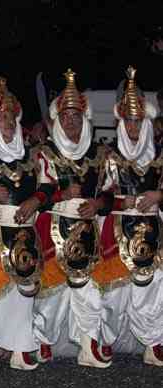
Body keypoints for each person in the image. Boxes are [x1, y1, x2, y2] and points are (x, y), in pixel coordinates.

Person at [32, 69, 119, 368]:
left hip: (87, 231)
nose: (71, 122)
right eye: (66, 117)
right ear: (57, 120)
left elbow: (110, 193)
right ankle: (43, 341)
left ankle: (88, 345)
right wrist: (61, 195)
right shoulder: (45, 153)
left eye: (76, 116)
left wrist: (97, 204)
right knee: (52, 294)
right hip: (53, 229)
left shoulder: (100, 154)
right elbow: (38, 194)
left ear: (85, 119)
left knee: (89, 290)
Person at [99, 67, 163, 367]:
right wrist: (121, 200)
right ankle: (106, 338)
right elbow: (100, 197)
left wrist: (159, 196)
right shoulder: (109, 155)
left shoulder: (160, 155)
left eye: (138, 121)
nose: (133, 126)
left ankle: (153, 342)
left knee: (153, 287)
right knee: (115, 294)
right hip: (117, 229)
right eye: (128, 120)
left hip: (152, 230)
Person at [0, 74, 44, 370]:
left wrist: (36, 200)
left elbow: (49, 187)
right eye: (2, 117)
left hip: (25, 233)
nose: (7, 122)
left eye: (10, 117)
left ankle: (19, 346)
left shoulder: (31, 155)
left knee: (23, 289)